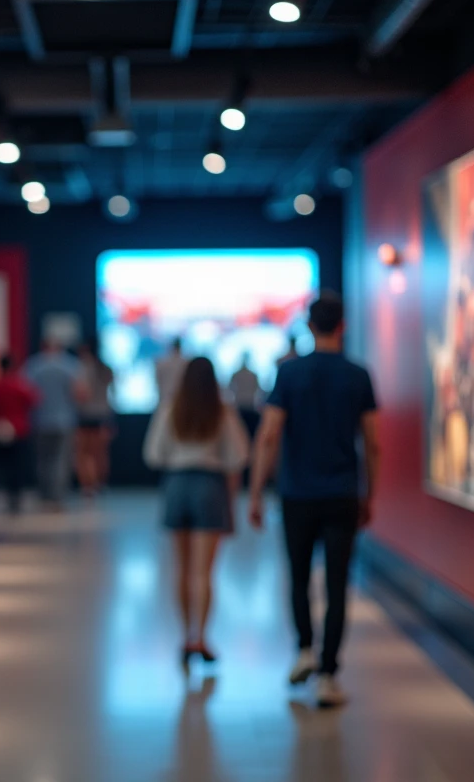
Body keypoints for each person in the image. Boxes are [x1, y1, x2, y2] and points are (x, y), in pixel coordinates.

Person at [248, 293, 379, 708]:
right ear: (343, 325)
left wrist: (254, 490)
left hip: (297, 493)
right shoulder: (358, 375)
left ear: (308, 326)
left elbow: (269, 435)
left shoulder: (288, 375)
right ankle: (328, 673)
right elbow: (372, 443)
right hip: (342, 492)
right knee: (338, 583)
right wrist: (369, 493)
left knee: (299, 575)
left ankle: (304, 648)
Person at [145, 357, 249, 665]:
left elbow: (152, 454)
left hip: (177, 486)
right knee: (204, 572)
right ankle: (201, 637)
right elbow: (239, 455)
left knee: (181, 568)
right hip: (210, 486)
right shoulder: (222, 411)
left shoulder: (169, 409)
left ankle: (184, 636)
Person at [23, 338, 83, 509]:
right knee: (61, 460)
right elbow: (79, 393)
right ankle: (57, 497)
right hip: (64, 421)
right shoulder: (70, 365)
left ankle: (45, 495)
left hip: (40, 420)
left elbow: (27, 394)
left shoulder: (33, 365)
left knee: (43, 460)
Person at [0, 355, 39, 513]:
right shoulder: (19, 385)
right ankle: (15, 498)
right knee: (16, 466)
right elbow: (33, 401)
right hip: (18, 431)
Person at [75, 340, 116, 496]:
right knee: (100, 453)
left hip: (86, 415)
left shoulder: (83, 368)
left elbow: (81, 394)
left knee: (84, 453)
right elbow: (113, 394)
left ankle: (88, 485)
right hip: (103, 415)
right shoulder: (106, 369)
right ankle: (100, 483)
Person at [155, 336, 187, 405]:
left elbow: (157, 381)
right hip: (179, 403)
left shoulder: (161, 363)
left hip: (166, 401)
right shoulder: (186, 362)